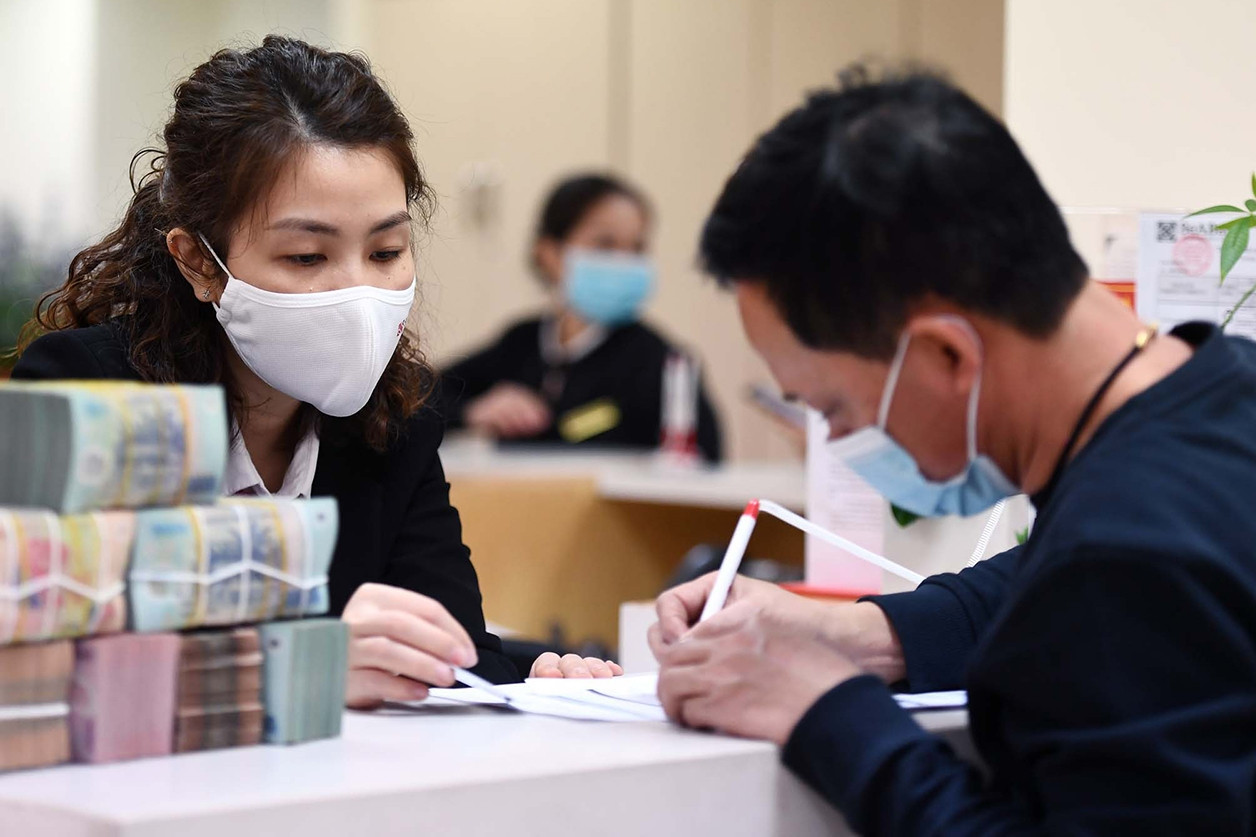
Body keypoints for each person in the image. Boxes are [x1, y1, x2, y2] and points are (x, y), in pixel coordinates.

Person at [650, 66, 1256, 833]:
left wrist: (827, 713)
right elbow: (1071, 588)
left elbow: (1110, 585)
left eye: (833, 407)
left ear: (944, 355)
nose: (836, 439)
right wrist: (862, 634)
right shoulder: (1217, 394)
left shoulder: (1128, 547)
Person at [12, 36, 618, 704]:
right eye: (307, 257)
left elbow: (453, 655)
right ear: (199, 262)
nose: (357, 294)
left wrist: (540, 681)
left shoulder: (396, 426)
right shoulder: (94, 391)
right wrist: (302, 666)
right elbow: (46, 671)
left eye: (387, 251)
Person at [439, 173, 723, 461]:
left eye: (637, 247)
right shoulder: (520, 343)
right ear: (549, 253)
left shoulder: (661, 361)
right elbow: (421, 398)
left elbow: (707, 458)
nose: (624, 261)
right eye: (605, 245)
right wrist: (472, 412)